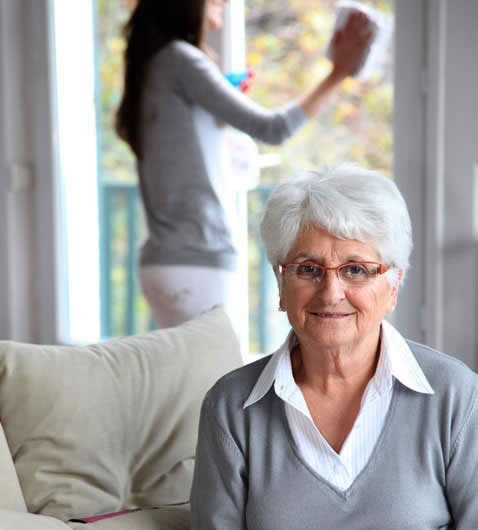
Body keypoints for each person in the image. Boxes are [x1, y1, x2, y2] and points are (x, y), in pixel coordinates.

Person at [190, 164, 478, 529]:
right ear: (281, 286)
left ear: (393, 286)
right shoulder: (230, 407)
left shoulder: (458, 397)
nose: (331, 293)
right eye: (308, 269)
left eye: (355, 269)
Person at [115, 0, 372, 328]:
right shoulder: (181, 59)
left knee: (192, 378)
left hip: (165, 264)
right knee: (221, 378)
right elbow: (273, 128)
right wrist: (338, 73)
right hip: (197, 263)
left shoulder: (153, 63)